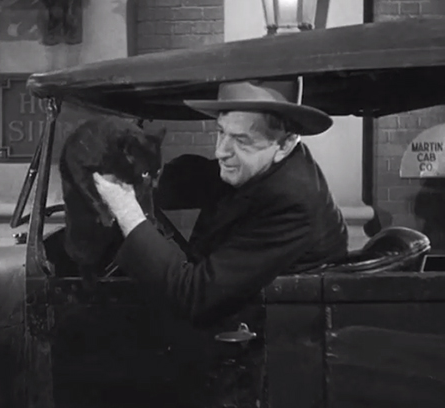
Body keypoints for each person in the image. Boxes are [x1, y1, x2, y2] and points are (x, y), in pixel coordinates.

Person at [93, 78, 348, 326]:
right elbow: (193, 180)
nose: (221, 151)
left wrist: (126, 210)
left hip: (261, 347)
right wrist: (132, 173)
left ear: (285, 144)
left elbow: (195, 298)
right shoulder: (261, 167)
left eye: (240, 140)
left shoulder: (294, 201)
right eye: (221, 131)